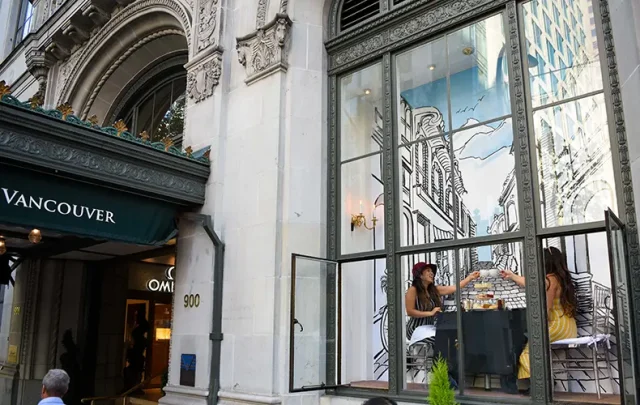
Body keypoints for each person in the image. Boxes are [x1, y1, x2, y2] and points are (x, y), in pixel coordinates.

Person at [501, 246, 578, 381]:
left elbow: (545, 310)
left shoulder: (549, 280)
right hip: (569, 326)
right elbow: (532, 283)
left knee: (527, 352)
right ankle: (536, 384)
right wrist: (512, 276)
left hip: (557, 326)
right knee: (533, 345)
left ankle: (543, 384)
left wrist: (538, 328)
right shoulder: (559, 277)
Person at [405, 262, 480, 339]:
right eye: (428, 271)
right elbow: (410, 311)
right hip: (415, 329)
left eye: (432, 271)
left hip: (429, 328)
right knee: (440, 339)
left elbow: (455, 287)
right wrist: (430, 313)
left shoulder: (433, 290)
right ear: (420, 275)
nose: (432, 273)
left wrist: (470, 277)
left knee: (452, 335)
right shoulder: (413, 290)